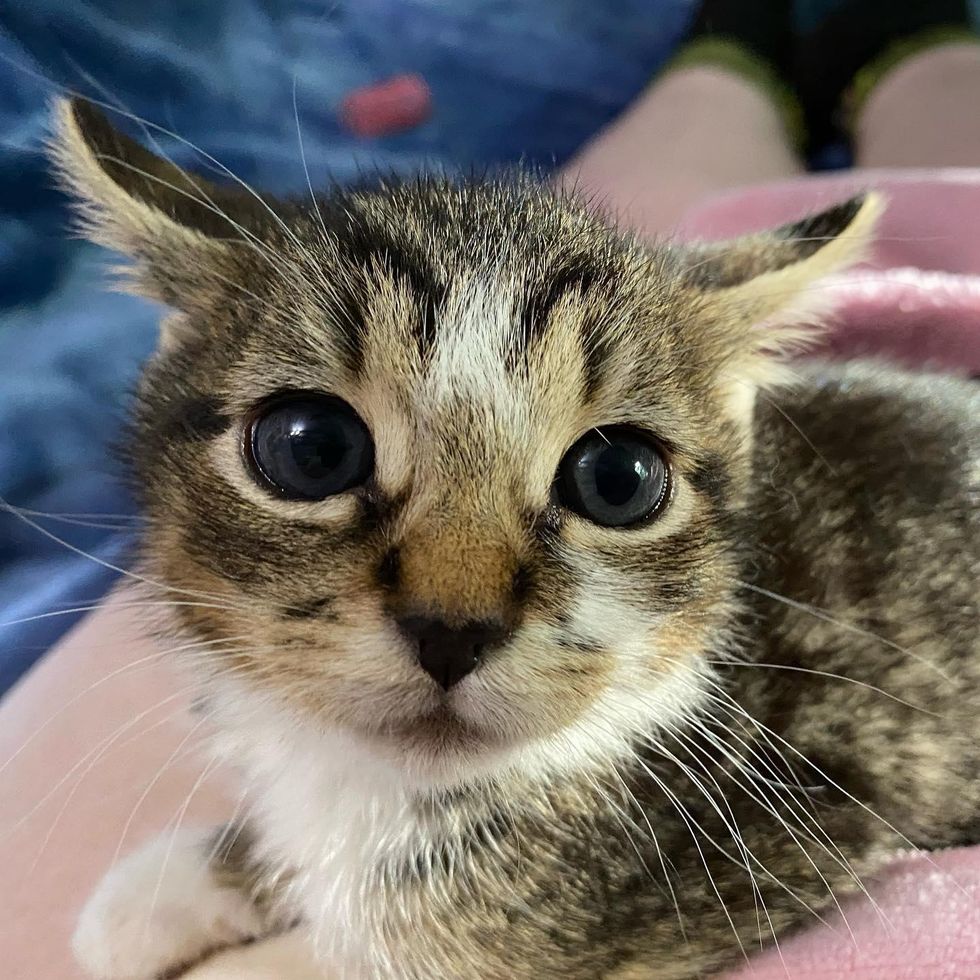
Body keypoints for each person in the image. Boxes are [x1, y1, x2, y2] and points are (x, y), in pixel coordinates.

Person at [3, 5, 980, 977]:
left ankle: (753, 65)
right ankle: (831, 56)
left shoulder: (514, 908)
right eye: (314, 449)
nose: (458, 603)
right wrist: (255, 863)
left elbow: (823, 812)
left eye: (613, 479)